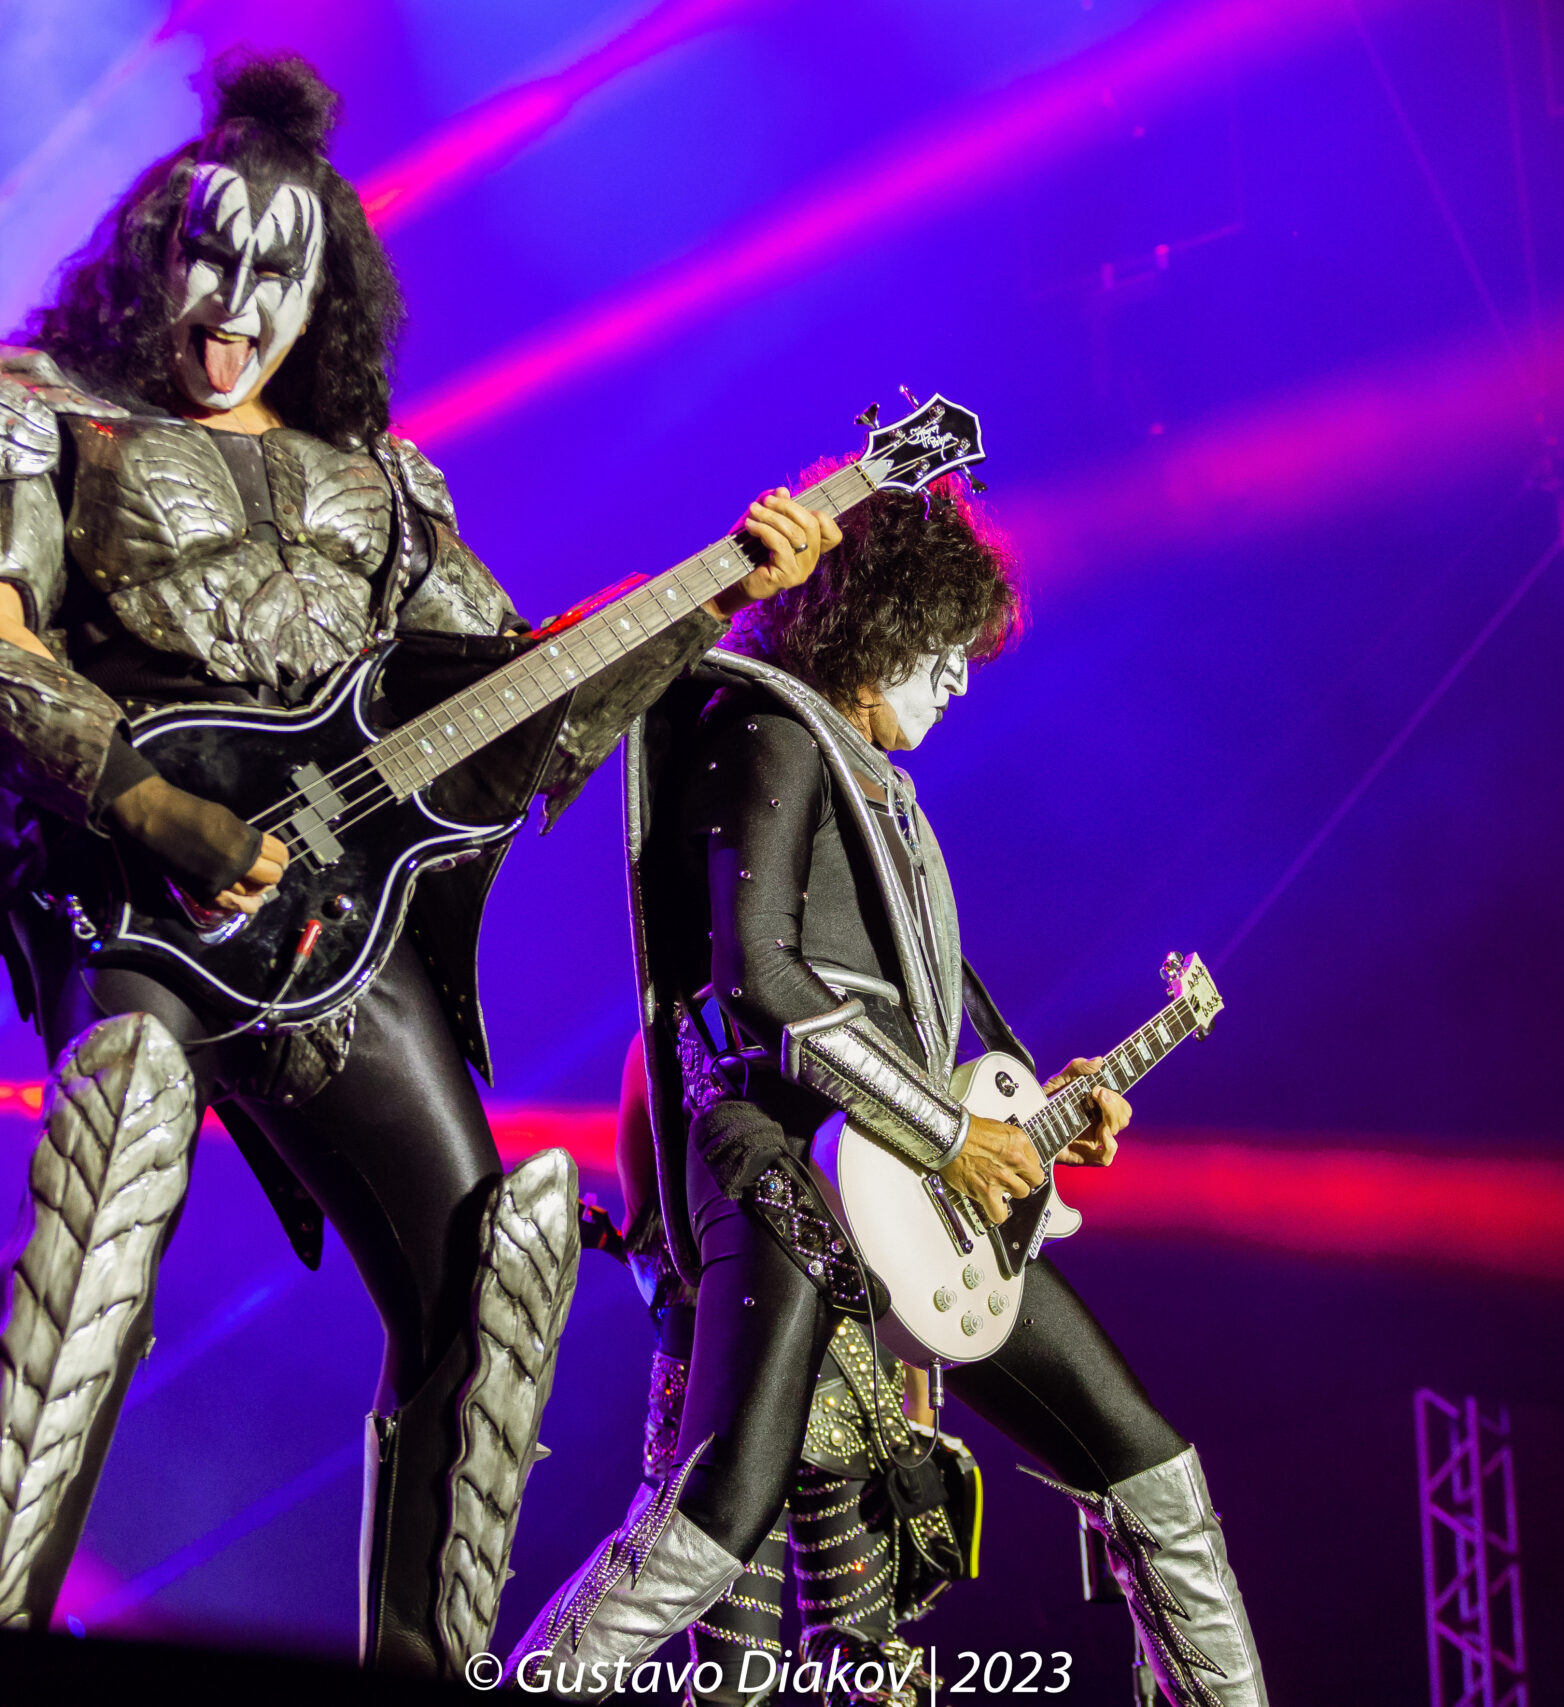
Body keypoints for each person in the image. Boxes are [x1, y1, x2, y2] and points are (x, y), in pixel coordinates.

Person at [0, 52, 835, 1676]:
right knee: (122, 1132)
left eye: (279, 269)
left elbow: (510, 715)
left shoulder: (387, 490)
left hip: (334, 939)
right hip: (136, 895)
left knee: (502, 1256)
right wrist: (164, 812)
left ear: (324, 288)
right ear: (152, 250)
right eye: (210, 254)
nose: (237, 297)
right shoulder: (27, 413)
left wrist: (712, 591)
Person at [513, 472, 1268, 1706]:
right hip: (777, 1166)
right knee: (720, 1508)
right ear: (871, 617)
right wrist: (947, 1132)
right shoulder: (766, 723)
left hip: (898, 1192)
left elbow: (888, 1018)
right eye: (940, 640)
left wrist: (1029, 1113)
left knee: (1151, 1469)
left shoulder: (882, 787)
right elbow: (754, 977)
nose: (961, 673)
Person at [598, 1035, 970, 1707]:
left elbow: (651, 1243)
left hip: (725, 1397)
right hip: (837, 1383)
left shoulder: (657, 1042)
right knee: (861, 1668)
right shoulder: (855, 1029)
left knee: (742, 1683)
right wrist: (915, 1414)